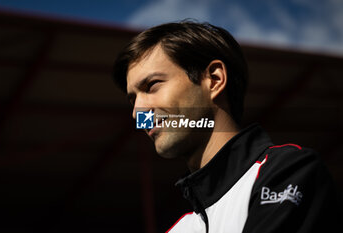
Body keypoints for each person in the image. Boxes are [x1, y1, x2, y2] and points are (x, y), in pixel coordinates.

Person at [113, 21, 342, 233]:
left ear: (214, 79)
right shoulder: (180, 229)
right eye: (133, 100)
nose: (138, 111)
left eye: (152, 85)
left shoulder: (289, 172)